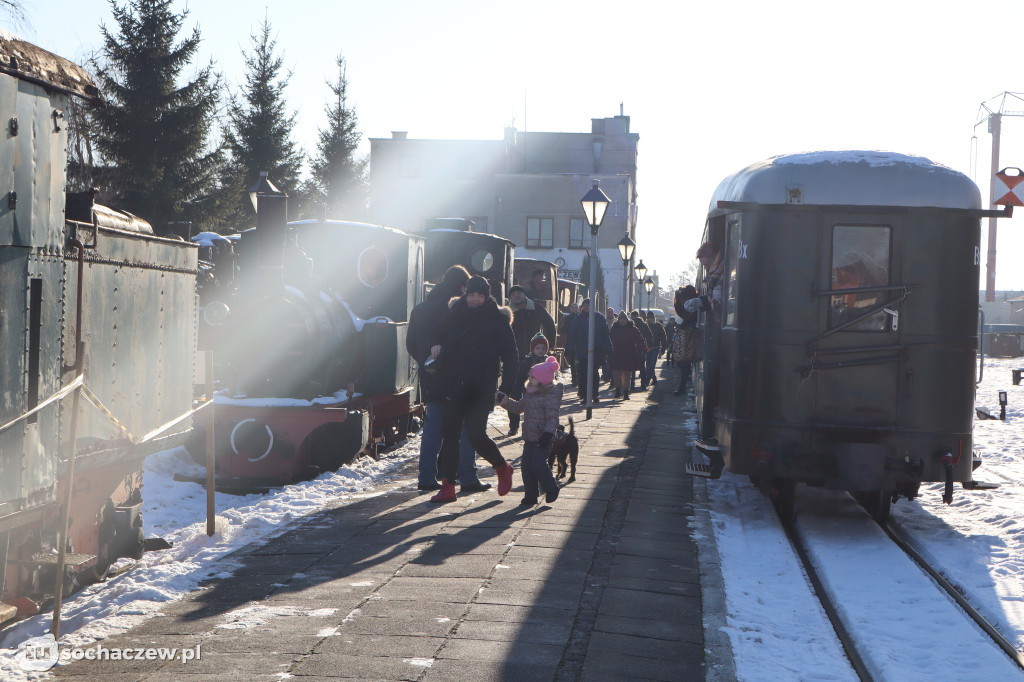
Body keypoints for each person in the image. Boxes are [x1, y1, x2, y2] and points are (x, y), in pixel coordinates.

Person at [430, 276, 518, 503]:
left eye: (480, 295)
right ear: (465, 294)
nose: (475, 299)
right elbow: (437, 333)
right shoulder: (453, 313)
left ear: (486, 296)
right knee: (449, 436)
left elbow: (510, 355)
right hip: (453, 382)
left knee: (475, 434)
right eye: (472, 295)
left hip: (481, 385)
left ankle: (502, 467)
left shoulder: (497, 320)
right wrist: (436, 344)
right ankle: (448, 486)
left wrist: (506, 388)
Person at [406, 265, 489, 492]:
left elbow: (410, 343)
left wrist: (427, 362)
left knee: (432, 427)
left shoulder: (420, 309)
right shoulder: (454, 309)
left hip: (429, 375)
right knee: (464, 426)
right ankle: (468, 476)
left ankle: (426, 477)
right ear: (462, 286)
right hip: (455, 377)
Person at [498, 355, 562, 506]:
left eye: (533, 377)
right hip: (529, 436)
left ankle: (551, 488)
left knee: (538, 464)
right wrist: (506, 402)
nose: (530, 378)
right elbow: (519, 408)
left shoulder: (550, 395)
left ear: (543, 380)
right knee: (526, 467)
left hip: (542, 438)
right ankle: (531, 495)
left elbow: (553, 417)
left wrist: (548, 434)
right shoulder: (530, 392)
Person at [566, 298, 613, 404]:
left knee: (594, 374)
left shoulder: (599, 318)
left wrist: (609, 348)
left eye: (588, 305)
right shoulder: (578, 319)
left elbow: (605, 335)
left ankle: (595, 394)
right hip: (582, 350)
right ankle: (584, 395)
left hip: (596, 350)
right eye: (585, 305)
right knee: (583, 374)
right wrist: (569, 348)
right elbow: (572, 335)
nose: (586, 307)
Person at [508, 334, 554, 436]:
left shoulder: (548, 360)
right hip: (530, 391)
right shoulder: (528, 361)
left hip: (544, 391)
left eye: (543, 348)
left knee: (543, 412)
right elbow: (520, 377)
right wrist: (518, 390)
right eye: (538, 348)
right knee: (527, 411)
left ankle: (542, 428)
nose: (541, 350)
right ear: (533, 349)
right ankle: (515, 426)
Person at [608, 311, 645, 400]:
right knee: (617, 373)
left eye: (624, 319)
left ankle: (625, 392)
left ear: (627, 320)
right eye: (621, 319)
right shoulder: (614, 329)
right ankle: (617, 390)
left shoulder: (633, 328)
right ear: (618, 320)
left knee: (627, 374)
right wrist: (608, 350)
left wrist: (642, 349)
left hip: (629, 353)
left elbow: (640, 339)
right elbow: (609, 340)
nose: (623, 321)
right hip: (616, 354)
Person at [673, 285, 701, 396]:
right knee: (682, 361)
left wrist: (685, 324)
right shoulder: (688, 304)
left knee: (683, 361)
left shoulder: (692, 306)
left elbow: (691, 316)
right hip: (689, 334)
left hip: (691, 335)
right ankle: (682, 386)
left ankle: (682, 387)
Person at [630, 310, 654, 389]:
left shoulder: (630, 325)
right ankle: (643, 384)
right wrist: (648, 346)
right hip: (641, 348)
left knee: (632, 367)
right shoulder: (644, 324)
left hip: (632, 349)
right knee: (642, 367)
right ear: (638, 315)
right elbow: (650, 336)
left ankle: (632, 384)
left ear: (632, 316)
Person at [645, 311, 668, 387]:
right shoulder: (645, 326)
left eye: (651, 318)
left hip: (656, 348)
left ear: (654, 318)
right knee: (648, 365)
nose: (650, 319)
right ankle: (654, 379)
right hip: (647, 348)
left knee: (652, 364)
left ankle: (647, 380)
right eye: (648, 318)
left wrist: (663, 349)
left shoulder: (658, 326)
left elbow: (664, 338)